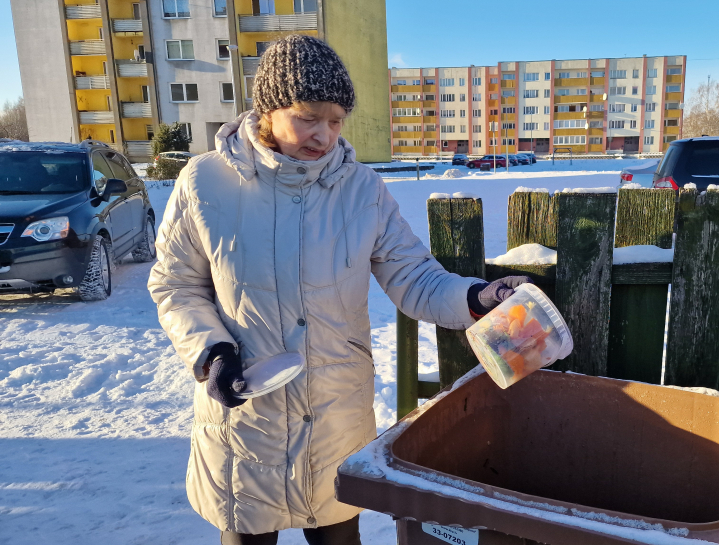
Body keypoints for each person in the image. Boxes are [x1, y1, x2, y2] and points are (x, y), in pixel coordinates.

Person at [147, 35, 528, 545]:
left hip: (333, 418)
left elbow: (414, 276)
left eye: (336, 120)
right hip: (246, 420)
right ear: (269, 110)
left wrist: (476, 298)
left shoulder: (362, 191)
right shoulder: (205, 183)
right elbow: (176, 286)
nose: (324, 135)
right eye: (308, 117)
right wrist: (210, 352)